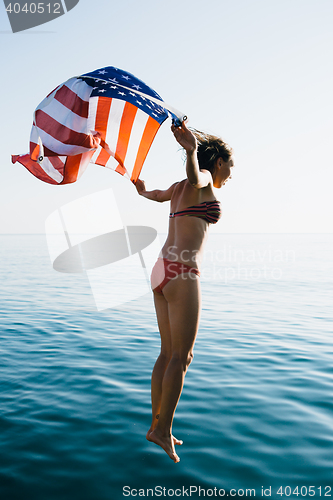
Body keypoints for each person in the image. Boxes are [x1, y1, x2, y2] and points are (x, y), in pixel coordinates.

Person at [134, 121, 234, 463]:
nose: (231, 173)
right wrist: (191, 151)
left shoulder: (176, 188)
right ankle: (162, 431)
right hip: (181, 272)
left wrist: (141, 190)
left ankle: (156, 426)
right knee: (182, 357)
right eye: (230, 166)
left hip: (160, 270)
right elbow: (197, 178)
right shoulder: (204, 178)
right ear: (218, 161)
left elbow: (155, 195)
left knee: (166, 354)